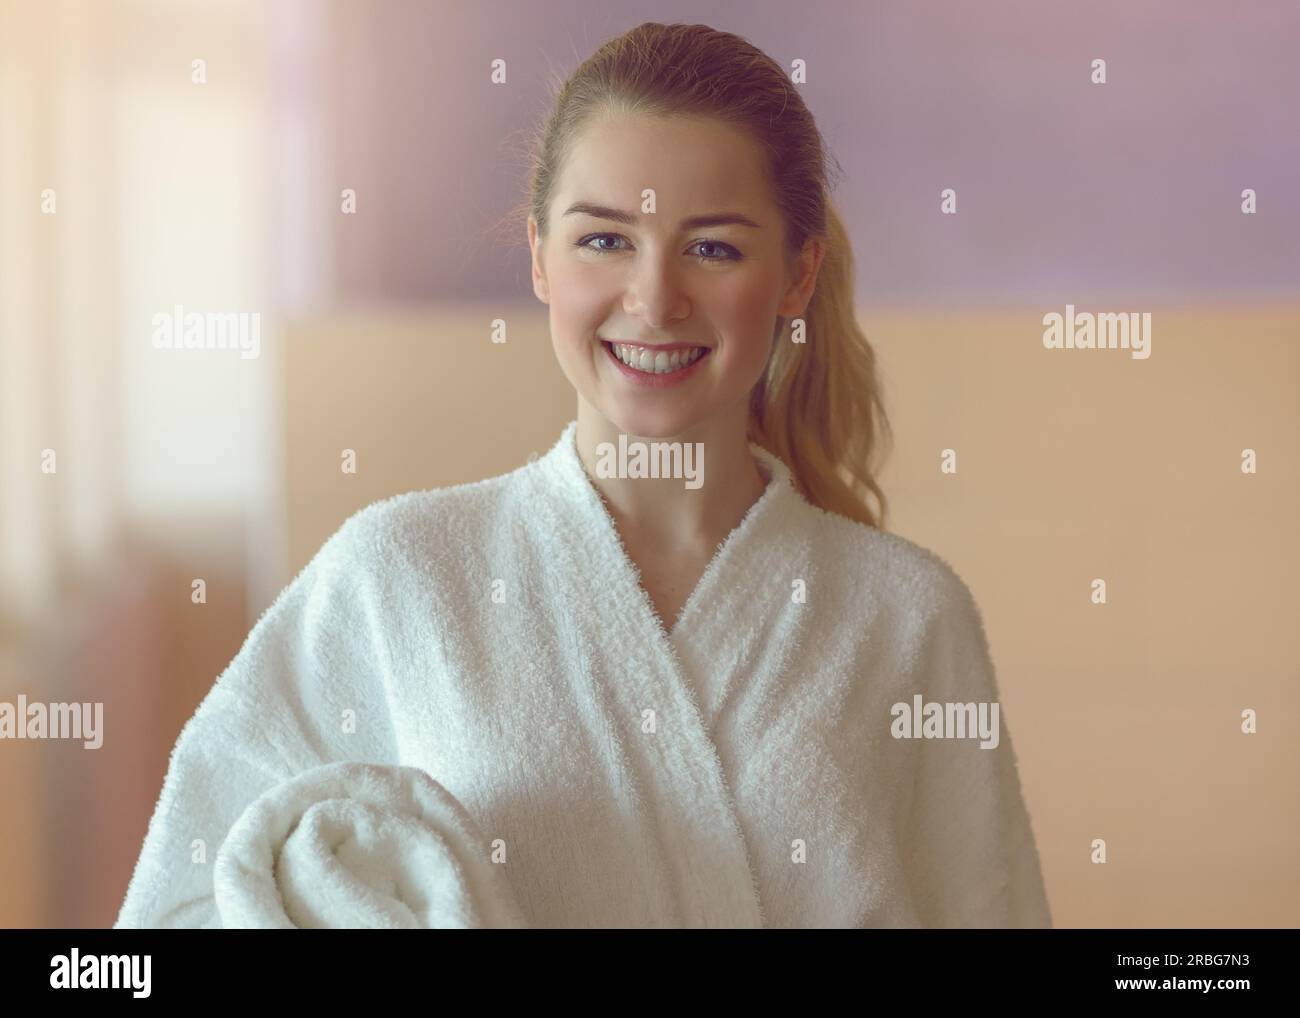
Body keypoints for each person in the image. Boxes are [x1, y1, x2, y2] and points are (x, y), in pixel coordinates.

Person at [116, 21, 1050, 929]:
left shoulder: (909, 615)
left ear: (797, 277)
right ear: (539, 258)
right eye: (604, 240)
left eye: (713, 247)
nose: (654, 299)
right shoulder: (396, 576)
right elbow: (182, 903)